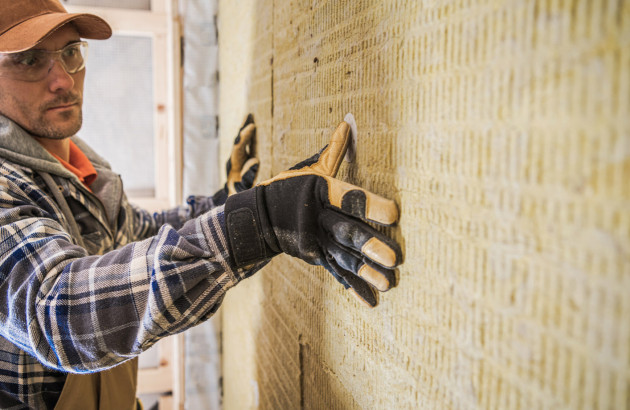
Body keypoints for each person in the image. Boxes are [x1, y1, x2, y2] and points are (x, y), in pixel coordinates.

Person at [0, 0, 403, 409]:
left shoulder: (76, 167)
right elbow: (57, 313)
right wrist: (254, 223)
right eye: (30, 60)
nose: (62, 80)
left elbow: (137, 235)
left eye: (70, 52)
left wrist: (232, 202)